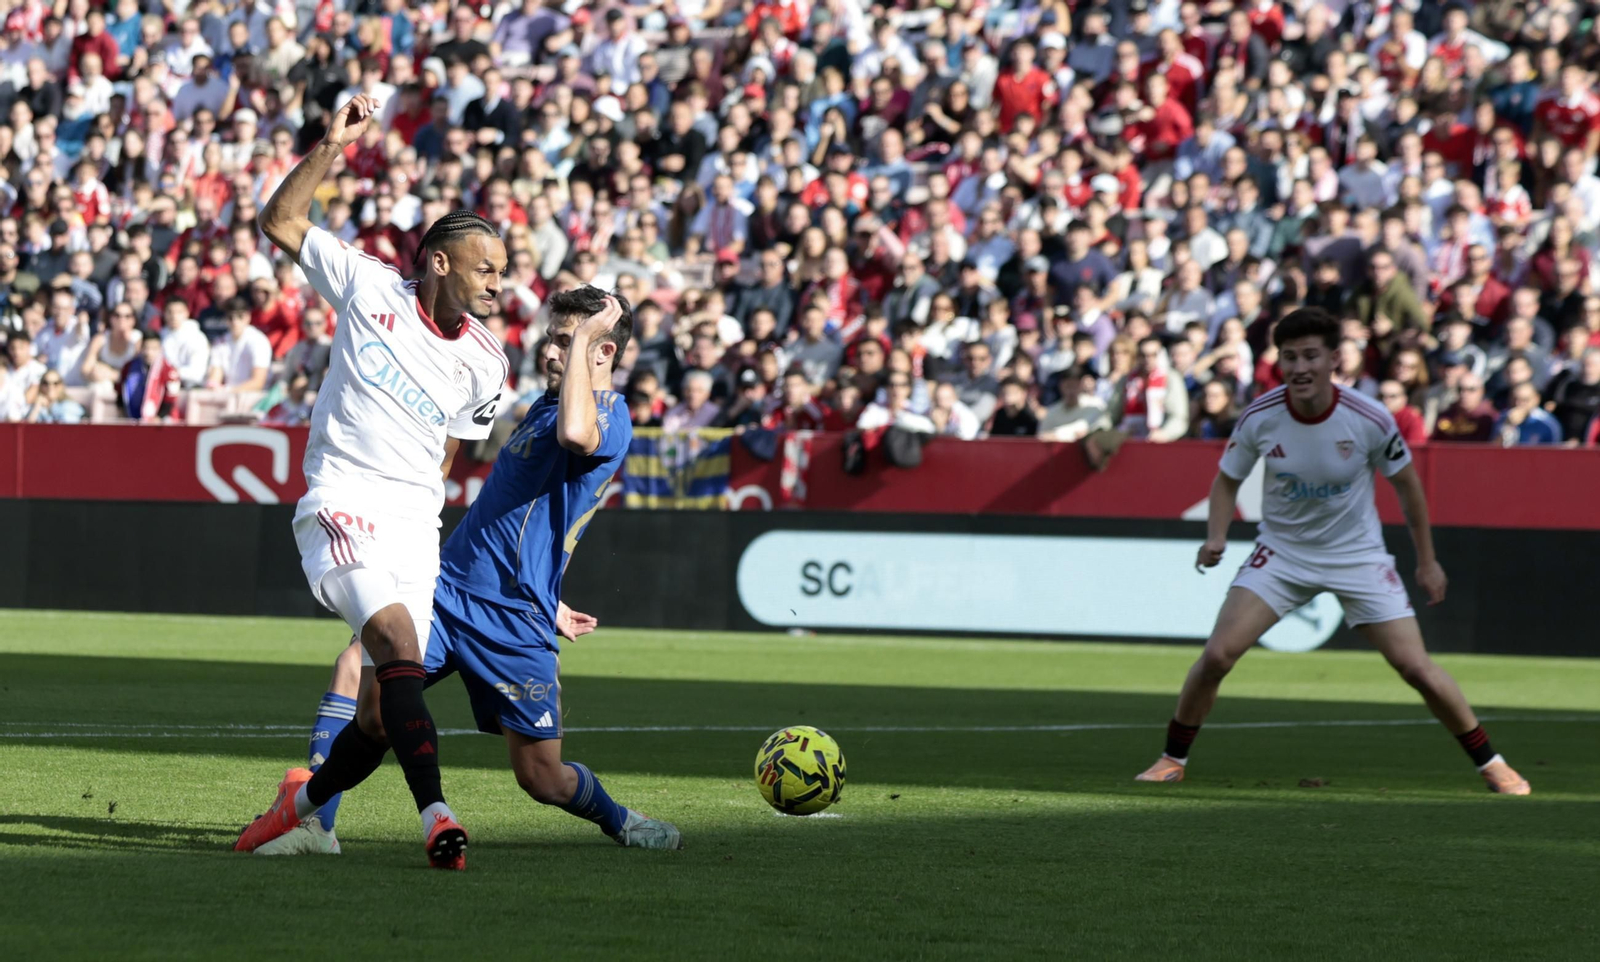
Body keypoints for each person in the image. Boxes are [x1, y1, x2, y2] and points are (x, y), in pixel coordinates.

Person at [259, 290, 680, 858]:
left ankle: (622, 820)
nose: (549, 350)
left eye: (565, 340)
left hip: (511, 621)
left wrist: (537, 597)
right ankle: (316, 827)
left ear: (603, 350)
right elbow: (525, 512)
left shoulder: (610, 415)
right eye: (553, 337)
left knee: (541, 777)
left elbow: (577, 438)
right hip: (448, 590)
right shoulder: (544, 408)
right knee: (358, 670)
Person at [233, 95, 510, 870]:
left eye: (504, 272)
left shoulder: (488, 362)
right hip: (342, 501)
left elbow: (452, 453)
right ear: (440, 261)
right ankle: (438, 817)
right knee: (392, 642)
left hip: (413, 526)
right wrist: (329, 145)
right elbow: (280, 223)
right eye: (487, 268)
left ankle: (306, 808)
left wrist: (420, 511)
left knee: (384, 712)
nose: (498, 283)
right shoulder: (368, 285)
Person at [1134, 308, 1530, 796]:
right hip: (1282, 554)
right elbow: (1227, 480)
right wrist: (1216, 536)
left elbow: (1408, 488)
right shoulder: (1261, 415)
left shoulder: (1367, 417)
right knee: (1217, 655)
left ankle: (1492, 763)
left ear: (1334, 360)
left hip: (1357, 557)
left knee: (1416, 668)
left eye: (1310, 356)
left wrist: (1427, 560)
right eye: (1290, 357)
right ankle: (1172, 758)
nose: (1299, 367)